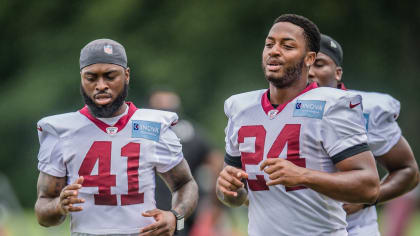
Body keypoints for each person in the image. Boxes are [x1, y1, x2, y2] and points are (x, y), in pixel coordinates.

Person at [216, 13, 381, 236]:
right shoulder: (241, 107)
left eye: (287, 46)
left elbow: (369, 187)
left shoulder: (330, 105)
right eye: (269, 44)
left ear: (309, 58)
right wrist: (227, 189)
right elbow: (237, 196)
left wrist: (303, 176)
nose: (274, 51)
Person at [34, 39, 198, 236]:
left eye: (110, 76)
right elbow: (43, 210)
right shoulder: (61, 130)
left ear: (126, 75)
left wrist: (175, 217)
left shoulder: (151, 125)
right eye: (91, 77)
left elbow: (185, 183)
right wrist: (59, 206)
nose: (101, 85)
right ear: (81, 78)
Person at [308, 34, 419, 236]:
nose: (310, 73)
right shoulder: (278, 108)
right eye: (304, 65)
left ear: (338, 72)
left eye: (319, 64)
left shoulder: (366, 110)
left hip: (353, 229)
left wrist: (369, 197)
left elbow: (408, 171)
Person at [147, 89, 214, 236]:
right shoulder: (194, 132)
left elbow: (215, 161)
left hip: (174, 210)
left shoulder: (143, 131)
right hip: (182, 211)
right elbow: (215, 162)